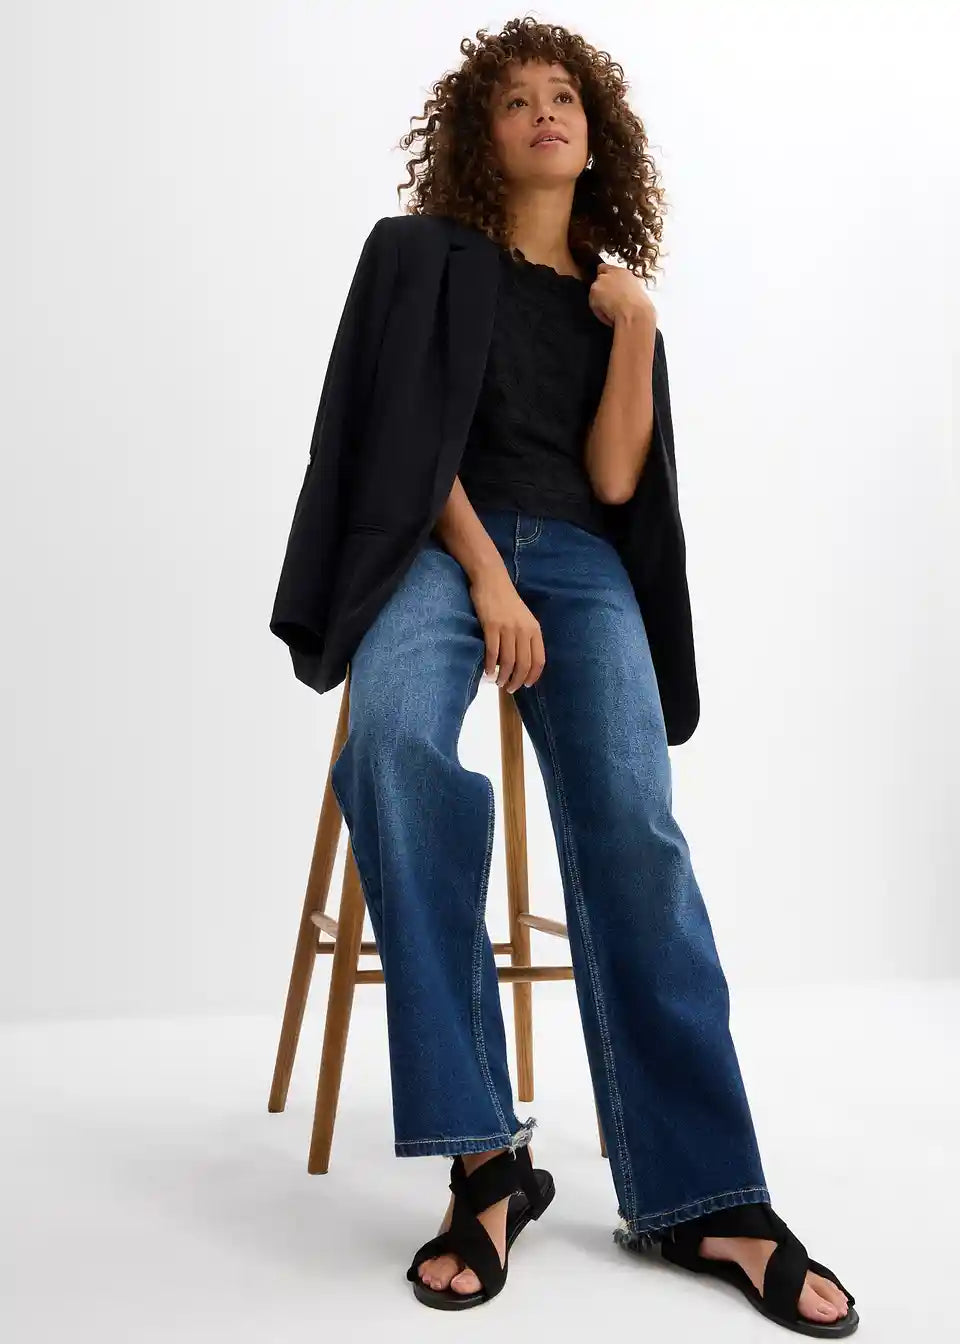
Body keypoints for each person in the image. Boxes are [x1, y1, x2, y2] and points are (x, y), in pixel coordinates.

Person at [283, 16, 859, 1331]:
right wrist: (489, 577)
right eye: (516, 99)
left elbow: (612, 480)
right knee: (394, 749)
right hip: (440, 546)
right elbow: (401, 447)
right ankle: (487, 1160)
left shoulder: (611, 296)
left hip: (583, 561)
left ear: (596, 134)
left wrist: (638, 325)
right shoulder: (417, 255)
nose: (545, 111)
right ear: (478, 136)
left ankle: (705, 1195)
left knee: (634, 829)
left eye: (564, 96)